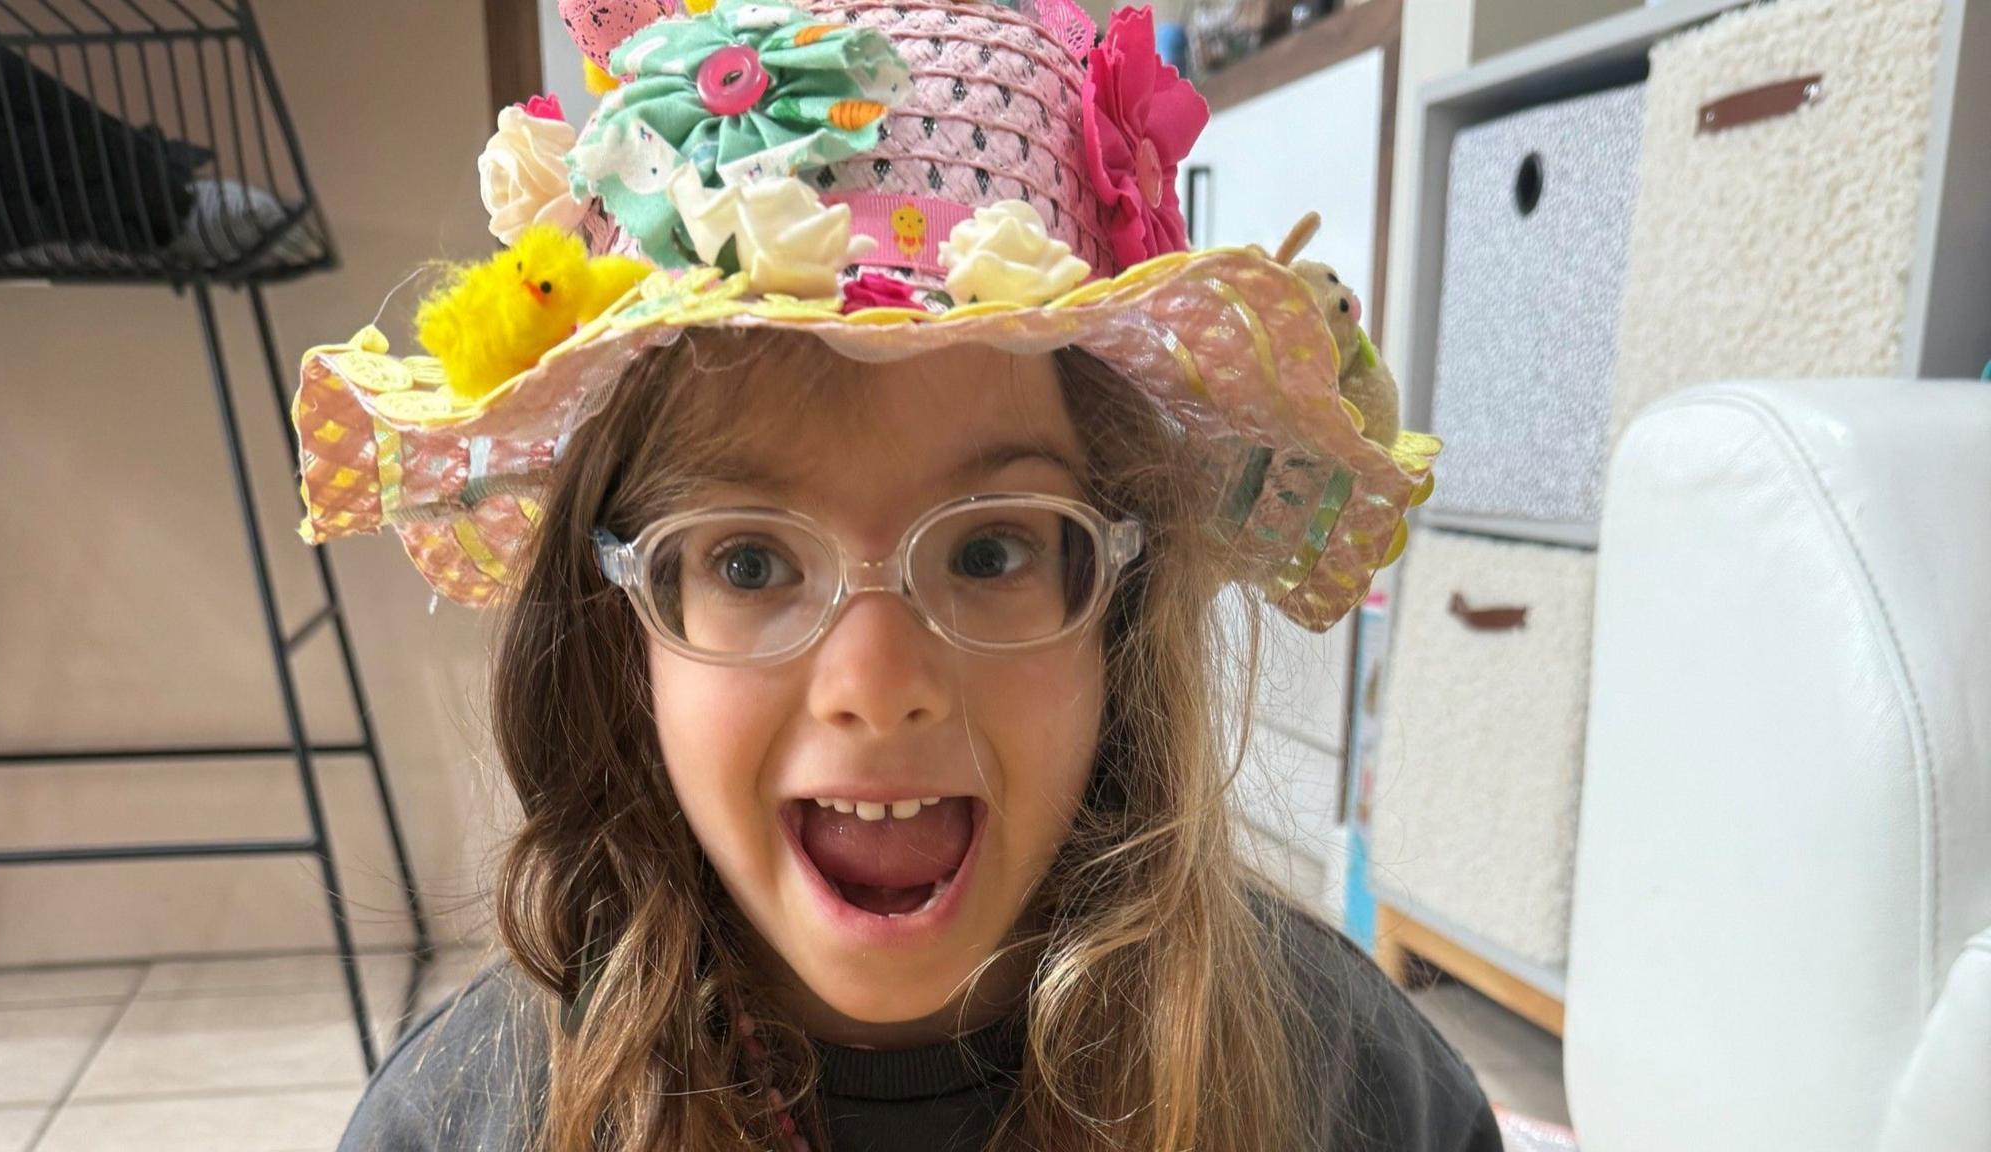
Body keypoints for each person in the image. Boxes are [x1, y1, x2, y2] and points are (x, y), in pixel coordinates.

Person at [292, 1, 1487, 1149]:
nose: (876, 684)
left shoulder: (1346, 1088)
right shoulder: (467, 1121)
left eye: (989, 551)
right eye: (749, 561)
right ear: (624, 634)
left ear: (1120, 603)